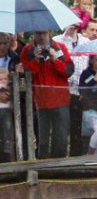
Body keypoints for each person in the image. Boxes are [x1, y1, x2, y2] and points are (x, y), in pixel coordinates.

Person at [19, 31, 72, 159]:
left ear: (49, 33)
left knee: (60, 138)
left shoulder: (60, 47)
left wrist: (55, 60)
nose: (41, 36)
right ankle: (43, 167)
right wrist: (36, 60)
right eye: (38, 33)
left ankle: (59, 168)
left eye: (44, 33)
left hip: (60, 100)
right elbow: (27, 75)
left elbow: (68, 71)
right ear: (34, 34)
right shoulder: (27, 50)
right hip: (40, 102)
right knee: (42, 139)